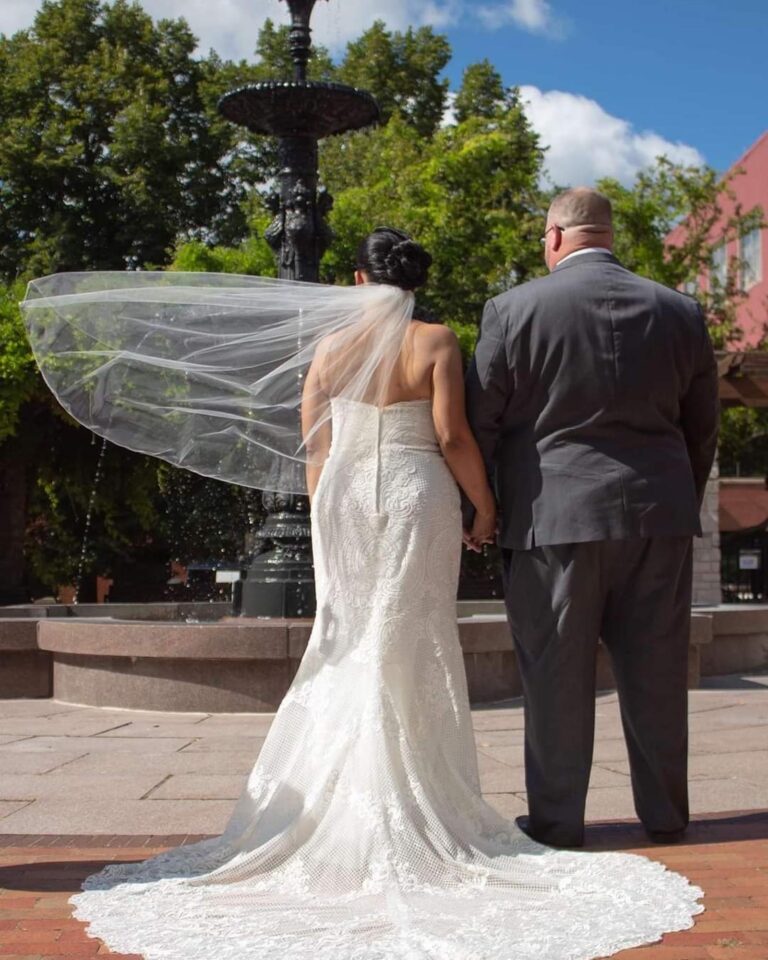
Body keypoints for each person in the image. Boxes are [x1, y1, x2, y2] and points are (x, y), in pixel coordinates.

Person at [22, 227, 703, 960]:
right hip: (415, 495)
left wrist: (323, 510)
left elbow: (314, 437)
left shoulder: (331, 348)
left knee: (347, 639)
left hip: (342, 496)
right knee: (408, 638)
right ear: (416, 284)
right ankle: (417, 797)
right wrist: (485, 506)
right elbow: (451, 435)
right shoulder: (437, 341)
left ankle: (328, 805)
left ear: (355, 280)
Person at [466, 189, 720, 850]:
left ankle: (557, 823)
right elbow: (703, 431)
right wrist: (674, 500)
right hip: (657, 516)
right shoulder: (680, 311)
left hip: (553, 518)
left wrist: (486, 510)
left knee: (554, 676)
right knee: (659, 675)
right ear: (607, 234)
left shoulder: (512, 310)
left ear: (553, 237)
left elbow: (480, 425)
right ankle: (666, 816)